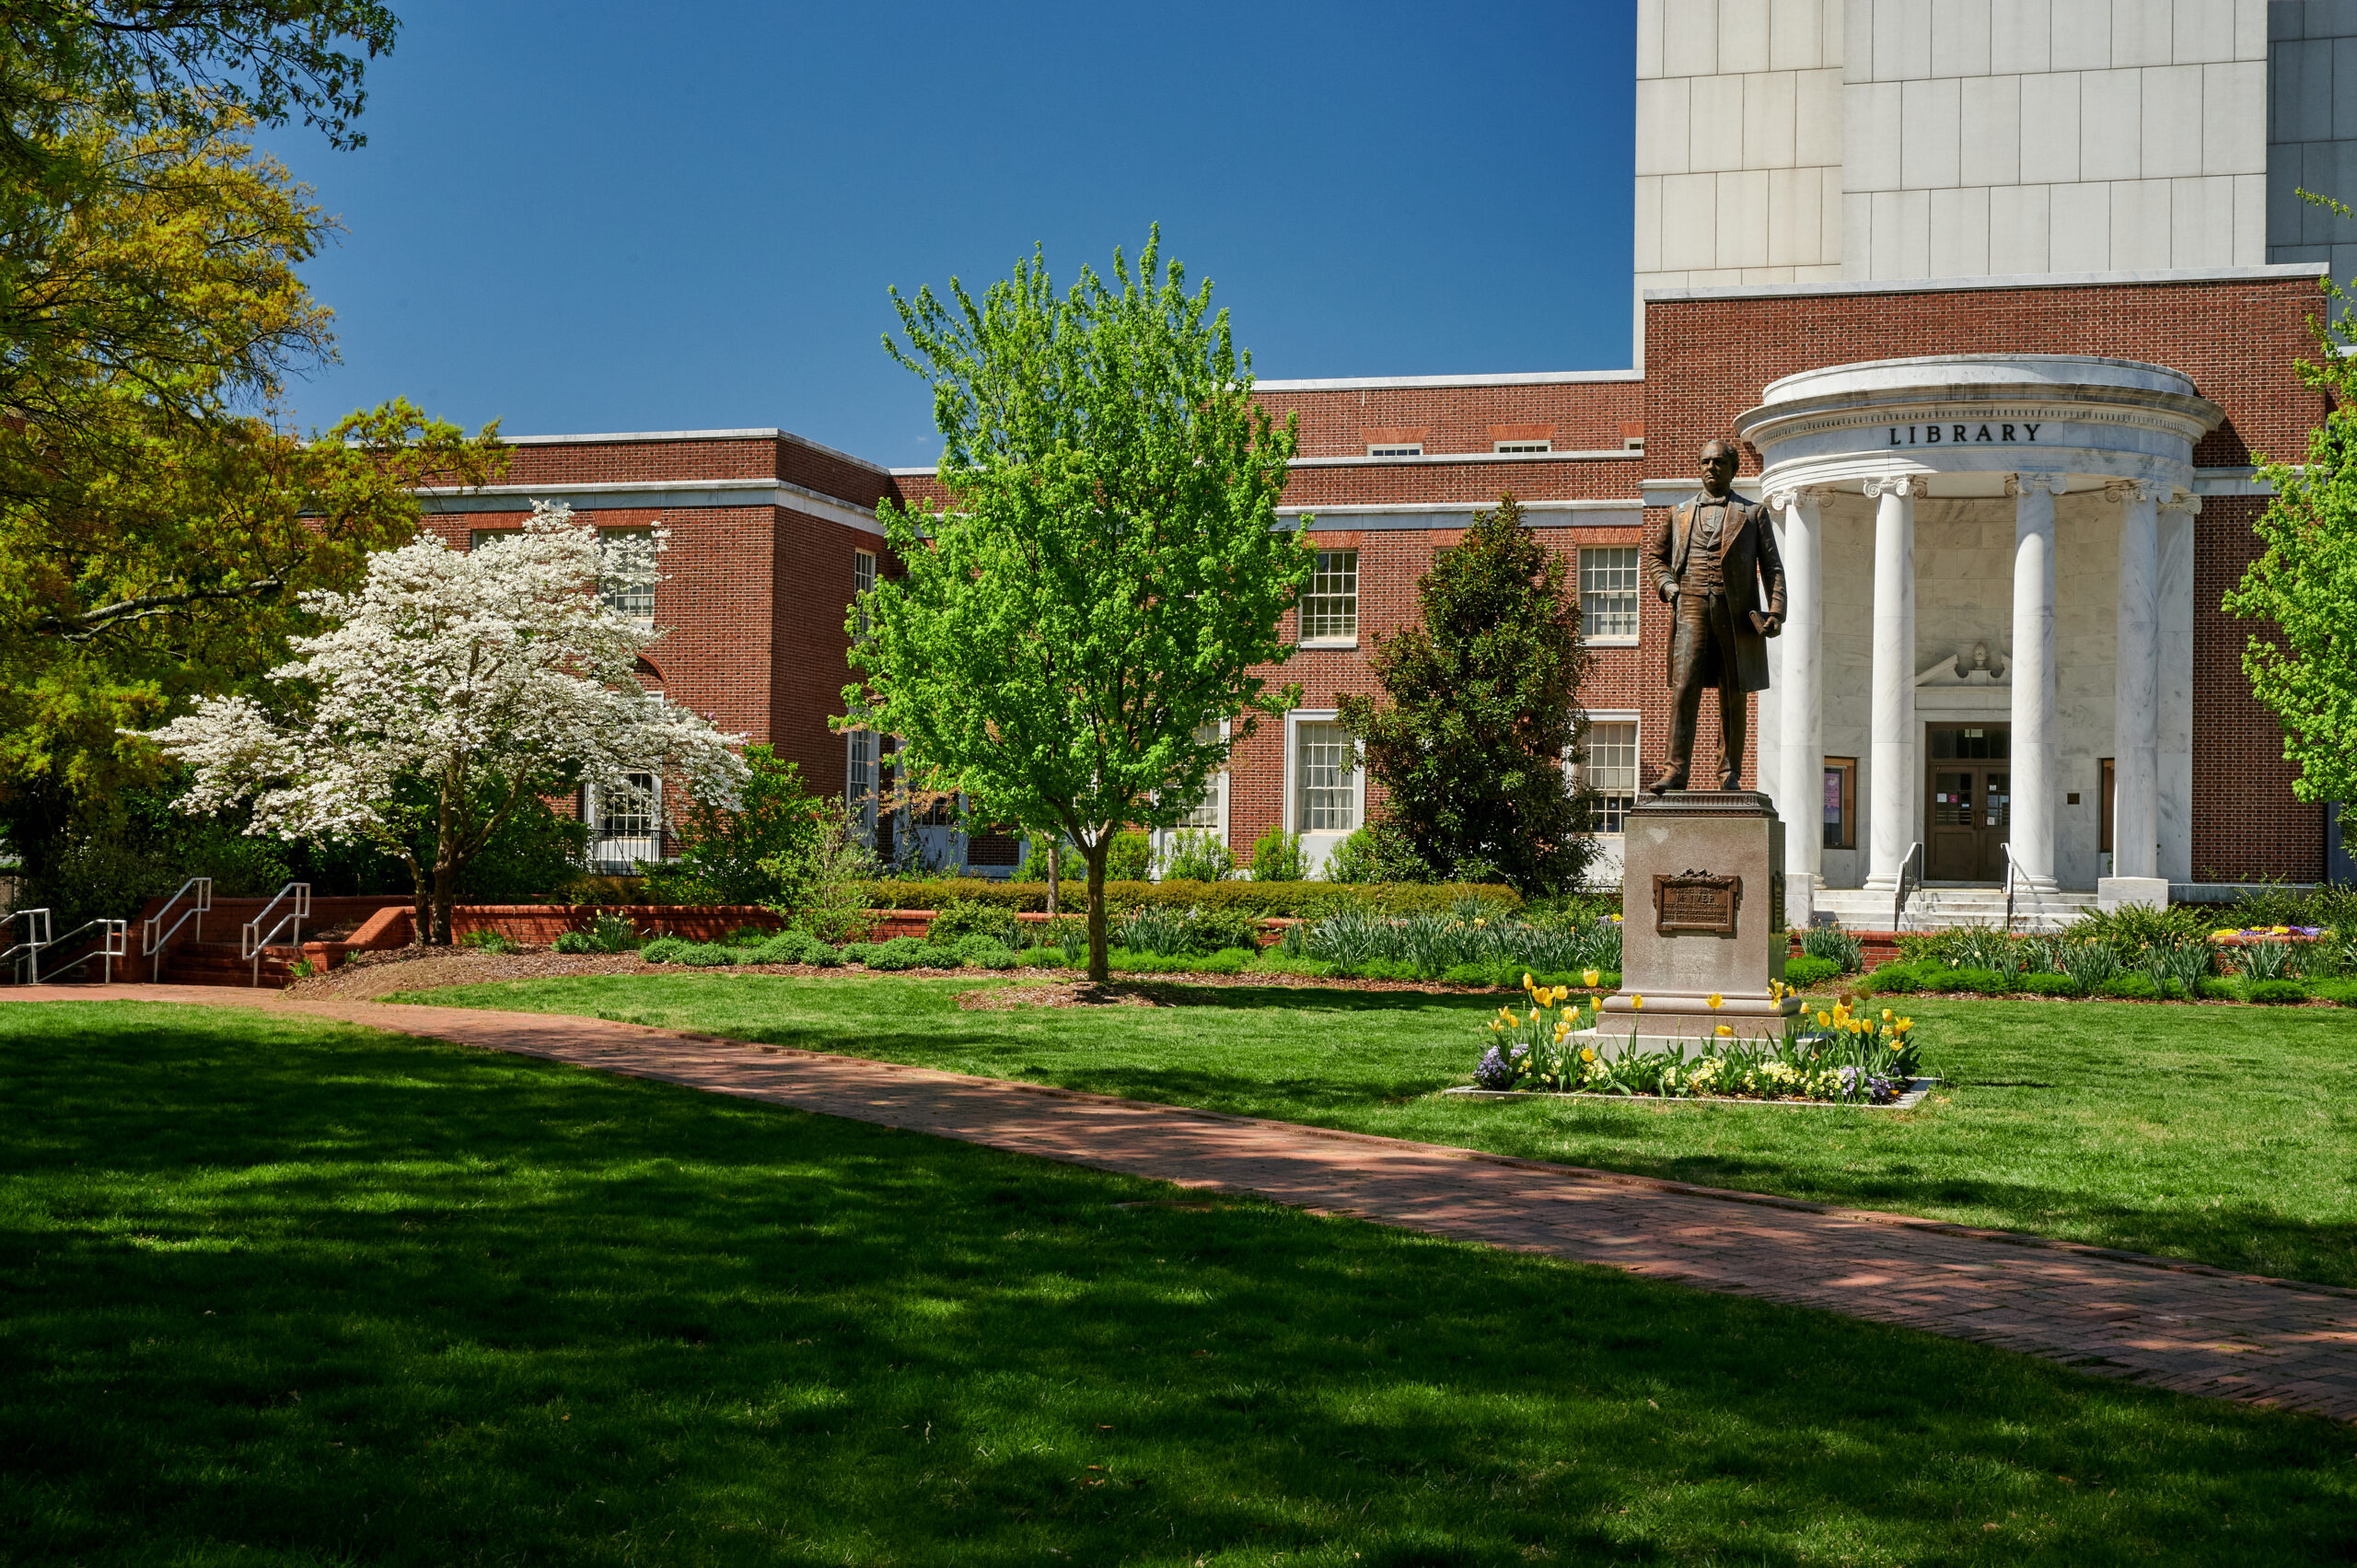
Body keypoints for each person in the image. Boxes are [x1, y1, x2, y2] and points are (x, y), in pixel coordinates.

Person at [1640, 438, 1786, 793]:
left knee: (1733, 694)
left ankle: (1729, 773)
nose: (1711, 468)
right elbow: (1655, 558)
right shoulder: (1679, 513)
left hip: (1736, 615)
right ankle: (1675, 771)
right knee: (1684, 688)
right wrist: (1668, 588)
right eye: (1705, 462)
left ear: (1734, 469)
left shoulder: (1753, 514)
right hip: (1690, 606)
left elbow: (1773, 568)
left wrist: (1777, 611)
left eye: (1719, 462)